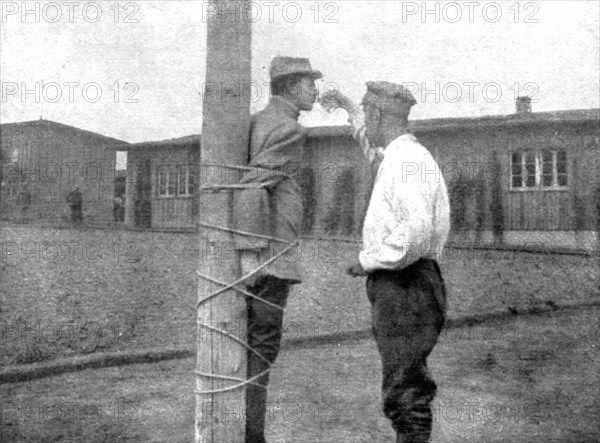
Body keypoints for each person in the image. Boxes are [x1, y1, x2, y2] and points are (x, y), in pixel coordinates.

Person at [330, 82, 450, 443]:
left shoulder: (407, 163)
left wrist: (367, 260)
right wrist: (349, 108)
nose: (365, 120)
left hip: (405, 285)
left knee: (405, 390)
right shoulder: (399, 157)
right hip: (409, 283)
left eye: (368, 112)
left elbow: (414, 234)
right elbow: (369, 143)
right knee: (404, 382)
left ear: (379, 114)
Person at [235, 56, 321, 443]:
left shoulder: (258, 122)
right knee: (263, 350)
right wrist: (251, 254)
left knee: (248, 347)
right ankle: (252, 437)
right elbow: (254, 186)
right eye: (309, 84)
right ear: (289, 88)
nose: (315, 91)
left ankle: (243, 430)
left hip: (262, 256)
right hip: (271, 261)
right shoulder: (288, 130)